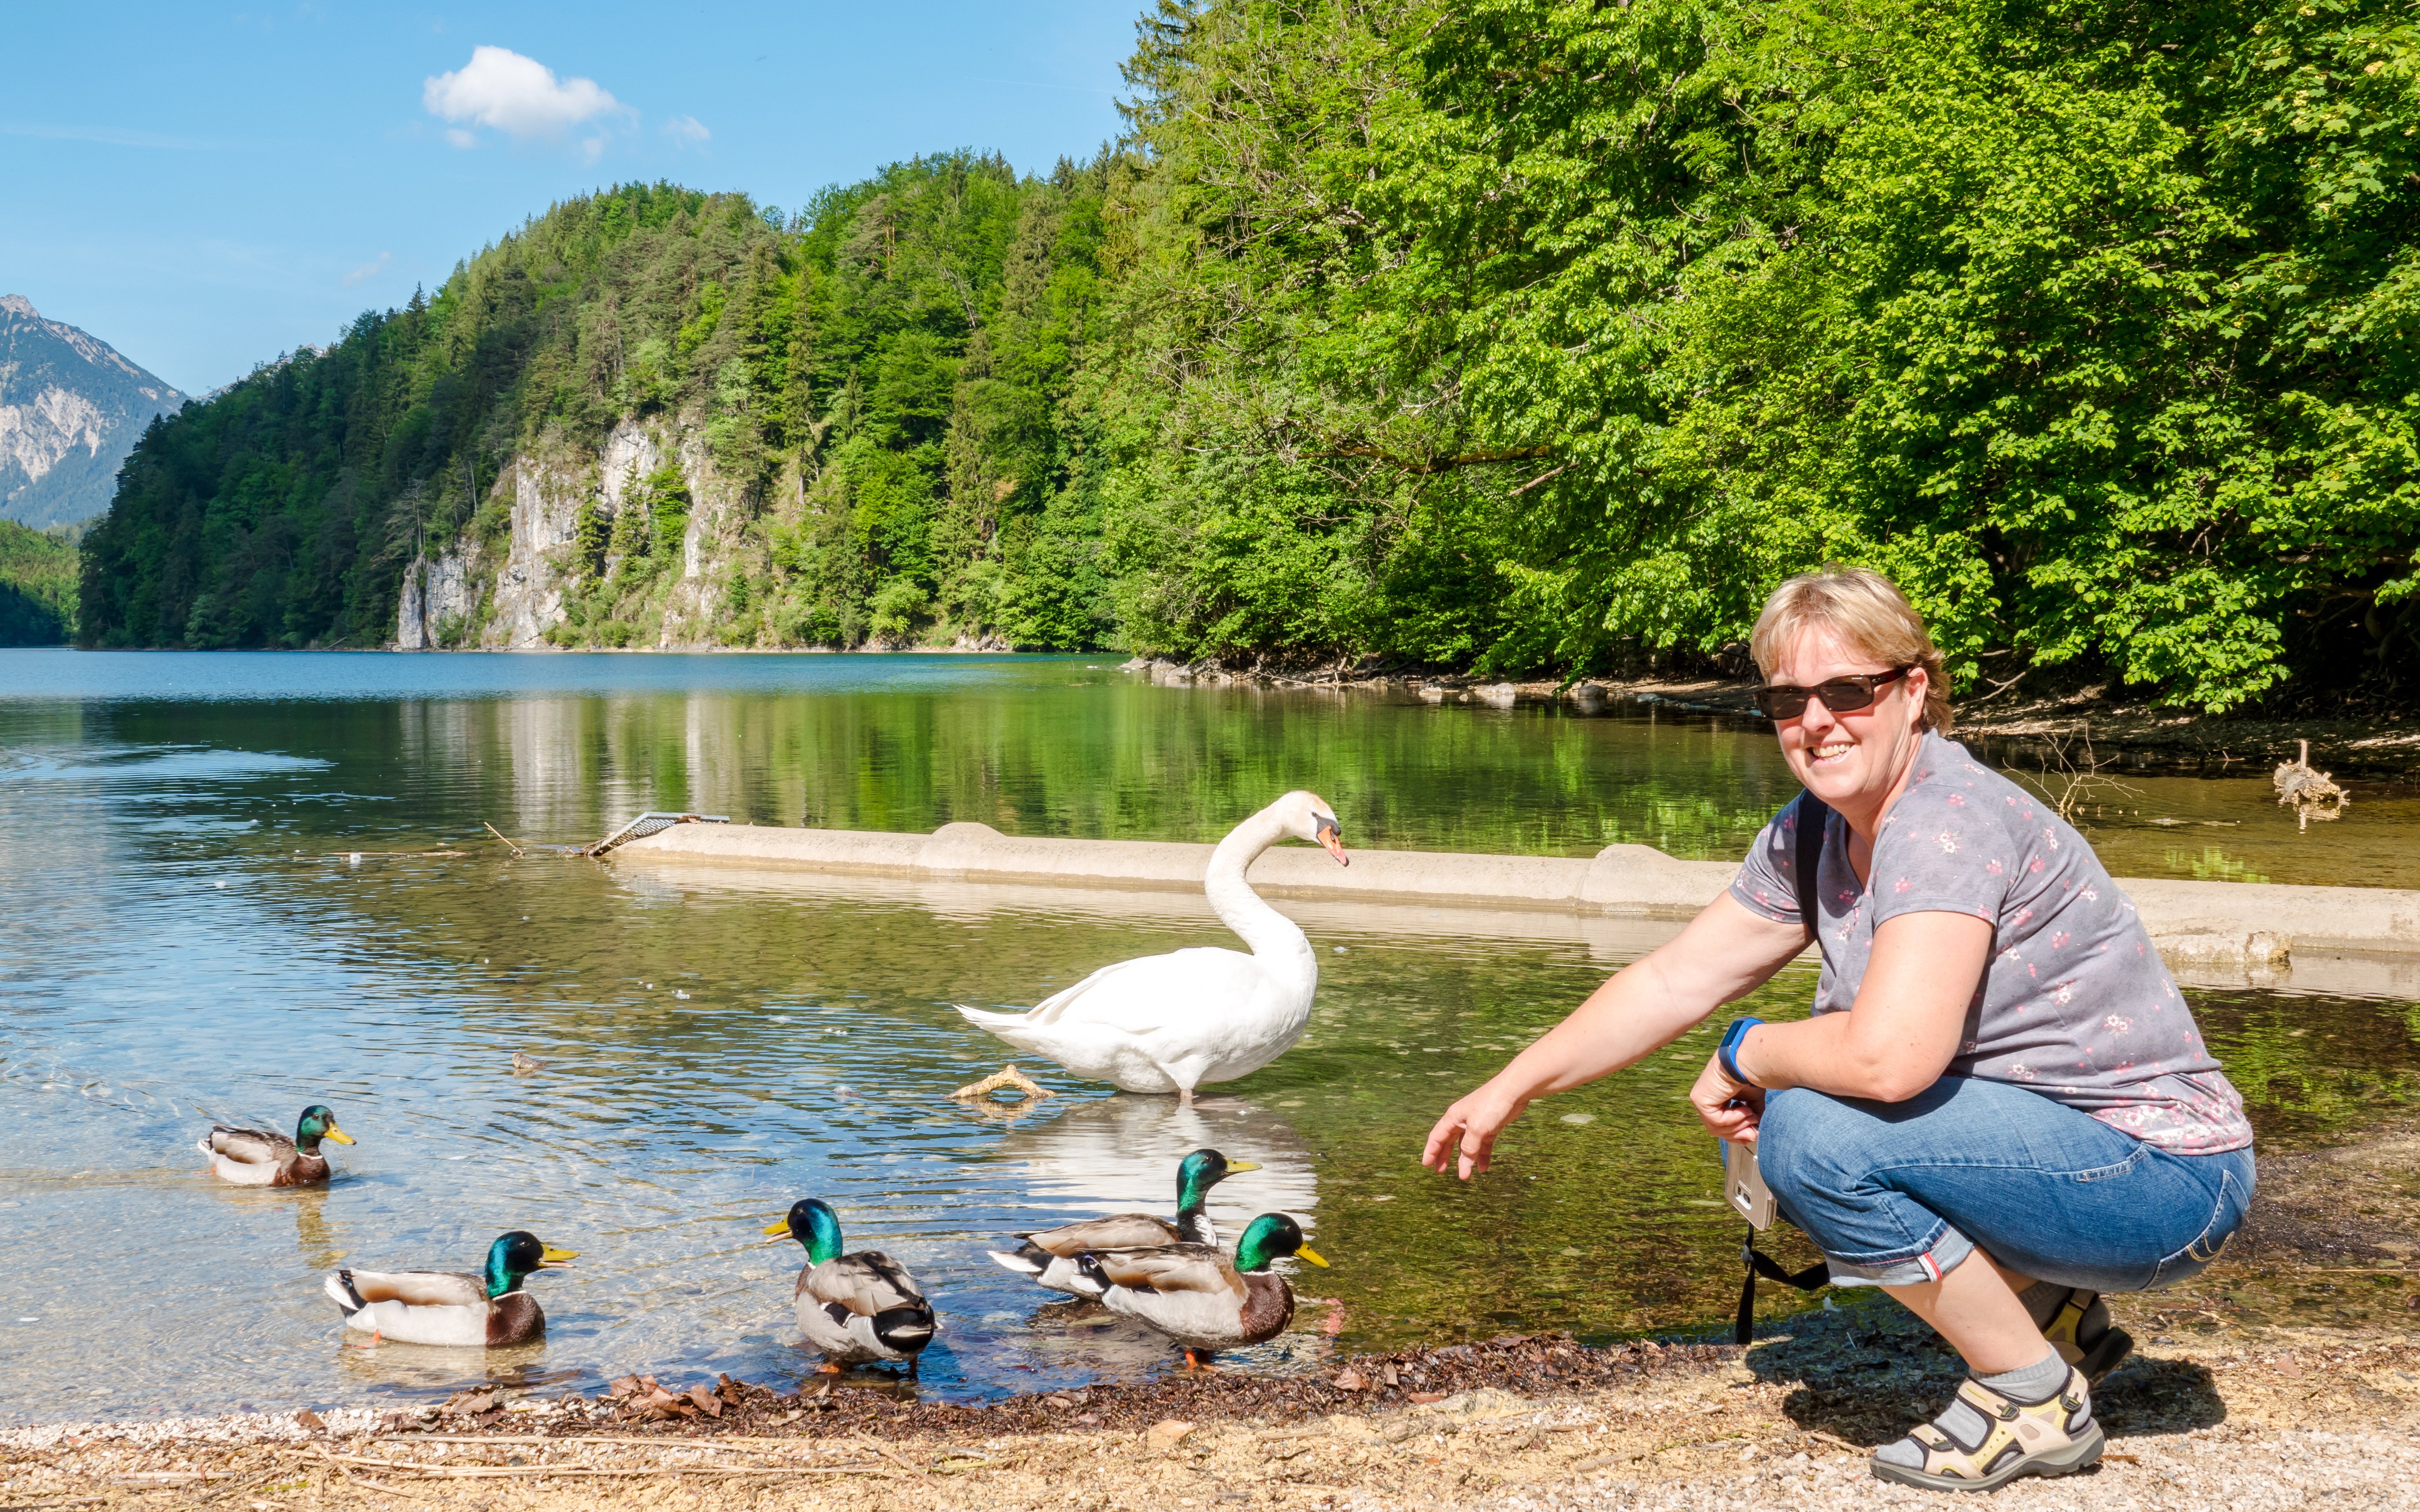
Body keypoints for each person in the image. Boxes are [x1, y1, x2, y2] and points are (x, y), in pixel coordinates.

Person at [1421, 565, 2253, 1493]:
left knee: (1814, 1131)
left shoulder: (1946, 819)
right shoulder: (1813, 831)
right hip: (2069, 1156)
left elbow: (1890, 1062)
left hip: (2166, 1182)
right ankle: (2049, 1314)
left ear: (1913, 691)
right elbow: (1674, 976)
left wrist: (1749, 1053)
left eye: (1847, 690)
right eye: (1786, 698)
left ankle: (2033, 1398)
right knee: (1812, 1109)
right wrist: (1511, 1085)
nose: (1815, 720)